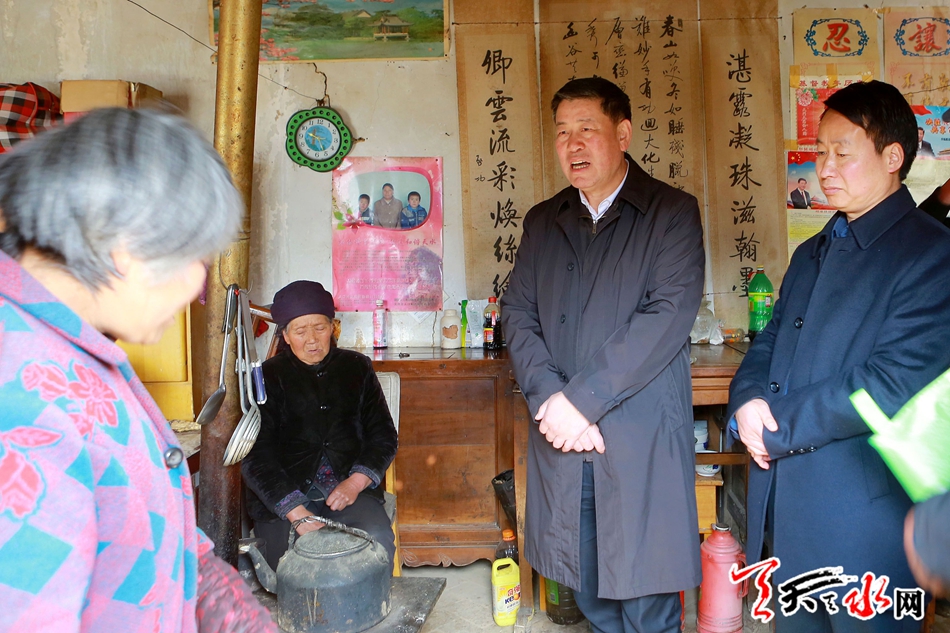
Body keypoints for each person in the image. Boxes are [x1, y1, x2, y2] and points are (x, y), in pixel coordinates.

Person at [0, 108, 276, 631]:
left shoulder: (79, 350)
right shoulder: (20, 404)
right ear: (125, 245)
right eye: (195, 259)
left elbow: (171, 549)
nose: (198, 288)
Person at [728, 80, 950, 632]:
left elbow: (889, 381)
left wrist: (773, 429)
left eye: (842, 153)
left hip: (865, 519)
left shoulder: (931, 254)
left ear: (892, 157)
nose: (823, 168)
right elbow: (770, 340)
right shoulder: (813, 250)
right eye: (819, 152)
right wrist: (746, 402)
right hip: (788, 508)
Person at [500, 77, 705, 633]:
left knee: (646, 592)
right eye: (562, 132)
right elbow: (517, 312)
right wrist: (551, 399)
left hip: (637, 436)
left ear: (623, 133)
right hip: (565, 437)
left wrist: (581, 403)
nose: (572, 144)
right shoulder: (544, 220)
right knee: (586, 582)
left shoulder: (670, 212)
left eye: (586, 129)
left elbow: (667, 315)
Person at [241, 280, 398, 571]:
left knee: (375, 543)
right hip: (284, 500)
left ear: (333, 328)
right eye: (300, 331)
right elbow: (255, 456)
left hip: (349, 493)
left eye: (319, 328)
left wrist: (355, 482)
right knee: (288, 566)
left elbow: (384, 436)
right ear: (286, 336)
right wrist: (295, 512)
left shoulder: (357, 368)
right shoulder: (266, 378)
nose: (312, 340)